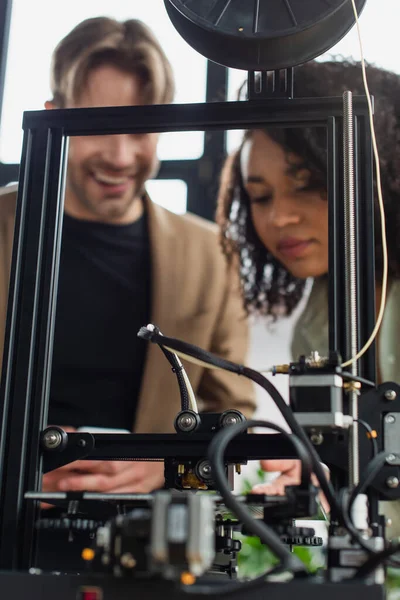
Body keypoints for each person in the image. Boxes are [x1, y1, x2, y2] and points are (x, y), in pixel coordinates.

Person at [0, 16, 255, 500]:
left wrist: (169, 464)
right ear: (54, 115)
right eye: (100, 126)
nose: (120, 156)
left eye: (140, 130)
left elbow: (235, 421)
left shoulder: (211, 256)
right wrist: (11, 468)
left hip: (147, 536)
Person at [216, 60, 400, 516]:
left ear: (378, 173)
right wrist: (319, 475)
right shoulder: (317, 321)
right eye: (261, 196)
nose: (280, 218)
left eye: (307, 184)